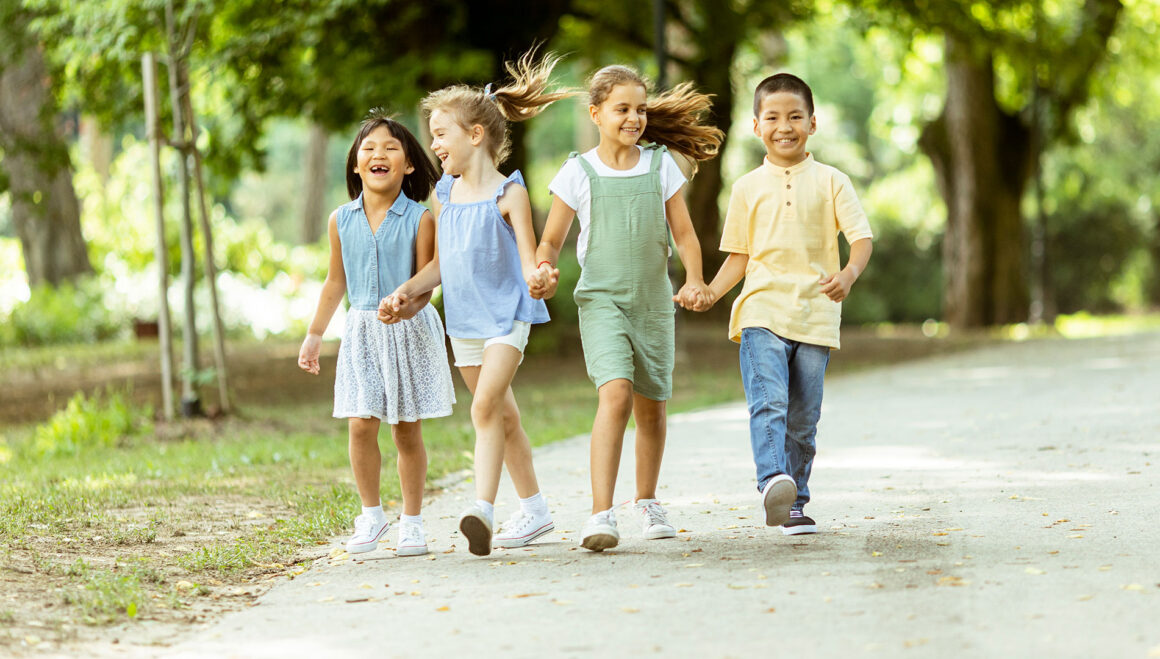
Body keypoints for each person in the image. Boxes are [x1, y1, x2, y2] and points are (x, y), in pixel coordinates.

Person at [379, 50, 571, 556]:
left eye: (441, 134)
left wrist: (540, 278)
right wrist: (406, 291)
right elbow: (442, 265)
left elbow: (530, 262)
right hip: (463, 322)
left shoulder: (510, 194)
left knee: (484, 407)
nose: (434, 145)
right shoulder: (443, 194)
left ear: (476, 135)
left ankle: (481, 511)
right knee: (503, 417)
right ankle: (535, 511)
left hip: (507, 317)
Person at [529, 65, 722, 552]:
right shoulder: (577, 171)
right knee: (615, 394)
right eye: (622, 109)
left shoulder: (661, 166)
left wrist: (695, 279)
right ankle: (601, 514)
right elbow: (550, 240)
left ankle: (647, 501)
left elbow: (684, 234)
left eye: (640, 109)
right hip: (602, 301)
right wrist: (544, 268)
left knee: (652, 406)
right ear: (596, 114)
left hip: (654, 302)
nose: (634, 118)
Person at [680, 73, 873, 535]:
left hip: (816, 314)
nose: (784, 126)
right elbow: (740, 257)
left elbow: (861, 239)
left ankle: (794, 503)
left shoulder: (832, 181)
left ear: (812, 123)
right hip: (760, 309)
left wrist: (847, 275)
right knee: (769, 402)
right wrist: (710, 292)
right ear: (756, 126)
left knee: (803, 419)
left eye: (794, 117)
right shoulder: (746, 187)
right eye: (772, 117)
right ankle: (772, 480)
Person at [298, 110, 455, 556]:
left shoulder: (420, 219)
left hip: (406, 331)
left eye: (390, 148)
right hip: (361, 332)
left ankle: (412, 522)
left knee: (405, 432)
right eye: (368, 148)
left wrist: (406, 308)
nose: (378, 154)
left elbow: (427, 284)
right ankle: (371, 516)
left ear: (409, 164)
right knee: (360, 425)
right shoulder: (340, 220)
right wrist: (314, 334)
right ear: (355, 164)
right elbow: (335, 282)